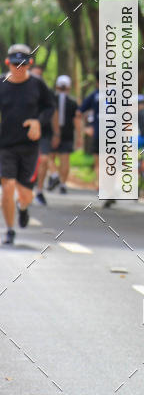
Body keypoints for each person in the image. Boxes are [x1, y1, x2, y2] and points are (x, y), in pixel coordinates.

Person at [0, 45, 56, 245]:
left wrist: (38, 121)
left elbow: (50, 107)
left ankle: (22, 208)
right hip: (4, 146)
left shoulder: (37, 85)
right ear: (8, 63)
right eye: (15, 64)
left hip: (29, 147)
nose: (19, 68)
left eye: (23, 64)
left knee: (25, 194)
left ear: (29, 64)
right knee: (8, 185)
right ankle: (9, 230)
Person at [30, 63, 60, 203]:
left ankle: (40, 191)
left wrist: (56, 133)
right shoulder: (20, 89)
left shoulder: (48, 93)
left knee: (44, 159)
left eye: (39, 75)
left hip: (45, 131)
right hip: (25, 131)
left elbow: (54, 112)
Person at [46, 75, 80, 194]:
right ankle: (63, 184)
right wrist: (79, 136)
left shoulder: (50, 100)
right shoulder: (73, 102)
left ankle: (54, 175)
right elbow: (77, 120)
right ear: (69, 87)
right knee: (65, 160)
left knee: (48, 157)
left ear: (57, 86)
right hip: (68, 133)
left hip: (51, 133)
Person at [79, 72, 100, 189]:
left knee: (99, 163)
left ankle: (102, 186)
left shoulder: (94, 95)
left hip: (98, 134)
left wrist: (84, 128)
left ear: (97, 82)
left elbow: (79, 112)